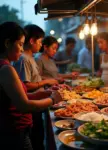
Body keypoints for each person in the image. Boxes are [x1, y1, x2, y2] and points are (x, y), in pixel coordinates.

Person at [0, 22, 61, 150]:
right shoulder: (6, 69)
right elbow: (24, 105)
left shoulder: (7, 66)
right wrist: (52, 100)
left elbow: (20, 95)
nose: (22, 49)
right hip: (16, 132)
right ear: (7, 44)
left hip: (18, 130)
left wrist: (44, 93)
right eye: (20, 44)